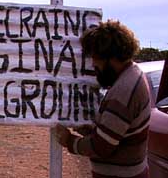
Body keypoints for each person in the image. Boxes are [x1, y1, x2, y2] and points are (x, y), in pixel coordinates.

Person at [54, 20, 152, 178]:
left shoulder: (124, 89)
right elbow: (113, 131)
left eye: (96, 57)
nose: (93, 64)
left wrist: (69, 141)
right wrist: (83, 127)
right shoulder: (130, 77)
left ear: (110, 57)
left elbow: (102, 146)